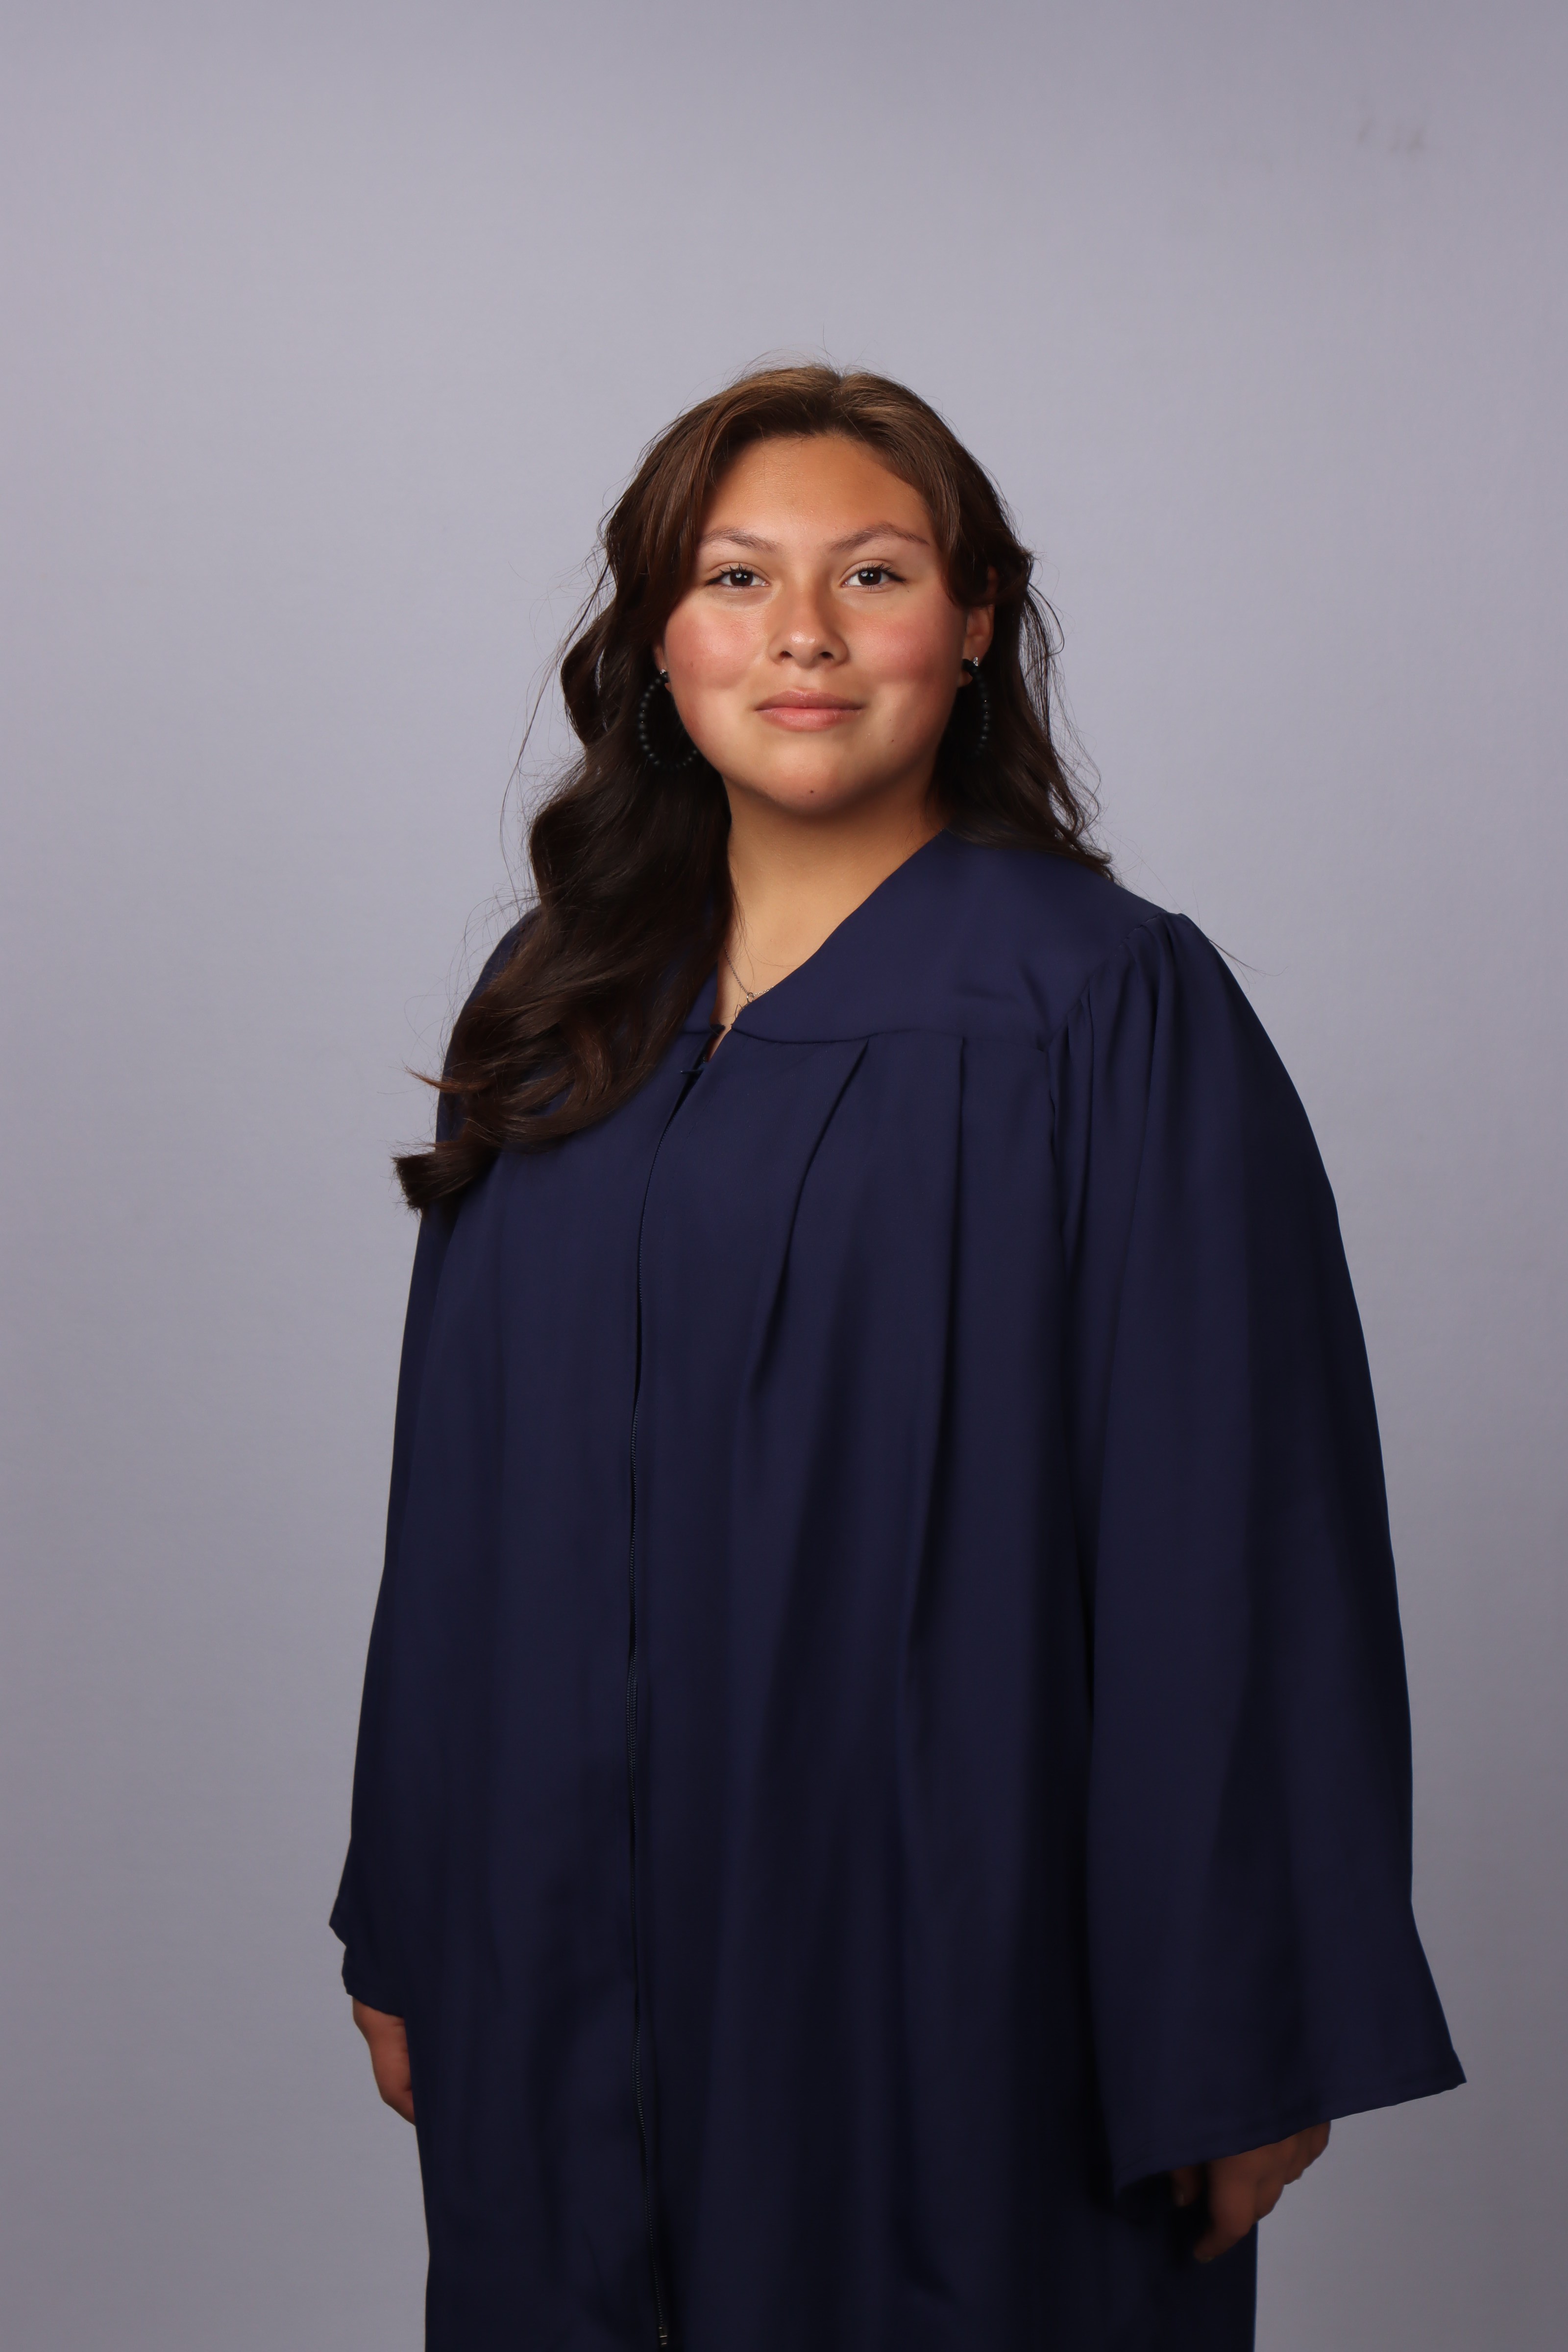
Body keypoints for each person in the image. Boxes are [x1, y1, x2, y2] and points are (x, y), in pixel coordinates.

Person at [332, 365, 1462, 2351]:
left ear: (972, 623)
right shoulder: (557, 1002)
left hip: (960, 1960)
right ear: (656, 636)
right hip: (557, 1940)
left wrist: (1239, 2024)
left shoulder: (1103, 1007)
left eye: (870, 573)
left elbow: (1232, 1530)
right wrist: (417, 1904)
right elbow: (459, 1503)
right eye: (734, 577)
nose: (802, 633)